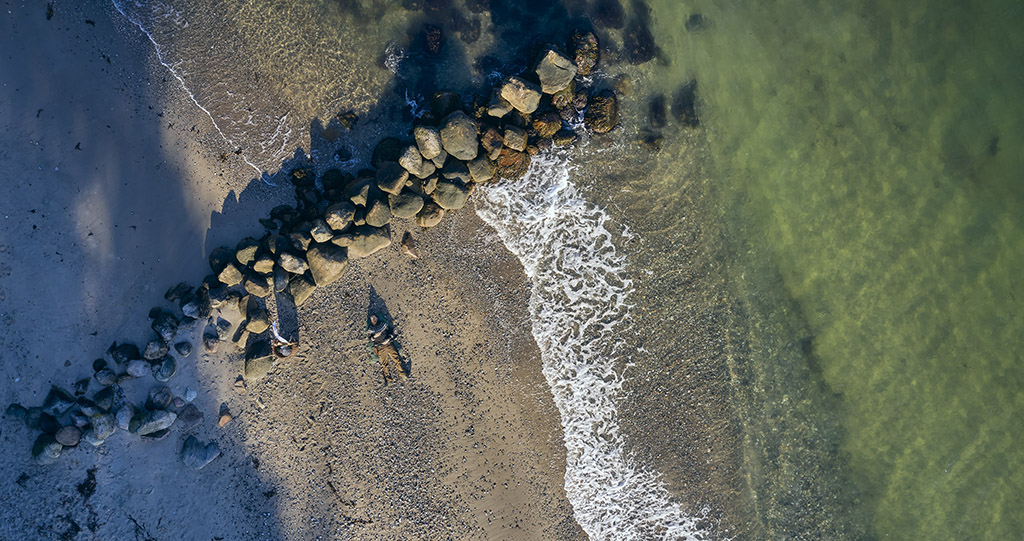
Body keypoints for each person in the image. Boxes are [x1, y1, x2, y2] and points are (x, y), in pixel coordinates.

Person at [367, 313, 405, 382]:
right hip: (380, 347)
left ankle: (402, 374)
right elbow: (370, 340)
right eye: (372, 319)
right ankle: (388, 379)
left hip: (388, 344)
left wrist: (388, 339)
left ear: (377, 318)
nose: (374, 319)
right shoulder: (371, 329)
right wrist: (375, 336)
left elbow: (391, 332)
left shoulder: (383, 325)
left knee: (396, 359)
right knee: (384, 364)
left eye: (374, 318)